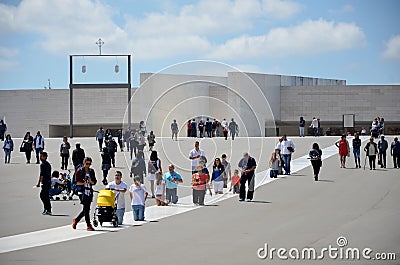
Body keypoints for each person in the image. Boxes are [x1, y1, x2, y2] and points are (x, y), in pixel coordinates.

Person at [72, 157, 97, 231]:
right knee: (86, 208)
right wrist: (83, 183)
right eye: (87, 164)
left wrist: (91, 181)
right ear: (84, 163)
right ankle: (88, 225)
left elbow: (94, 182)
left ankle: (76, 220)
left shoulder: (91, 171)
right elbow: (76, 182)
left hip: (89, 191)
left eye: (89, 164)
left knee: (86, 209)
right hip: (82, 191)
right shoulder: (79, 171)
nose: (88, 165)